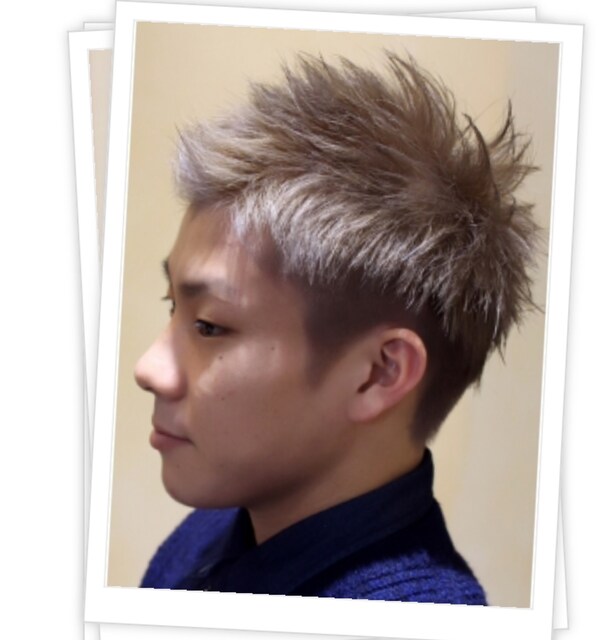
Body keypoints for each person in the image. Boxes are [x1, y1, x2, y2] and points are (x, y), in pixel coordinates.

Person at [134, 52, 540, 604]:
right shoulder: (214, 532)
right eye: (172, 305)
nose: (150, 368)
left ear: (379, 373)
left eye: (208, 327)